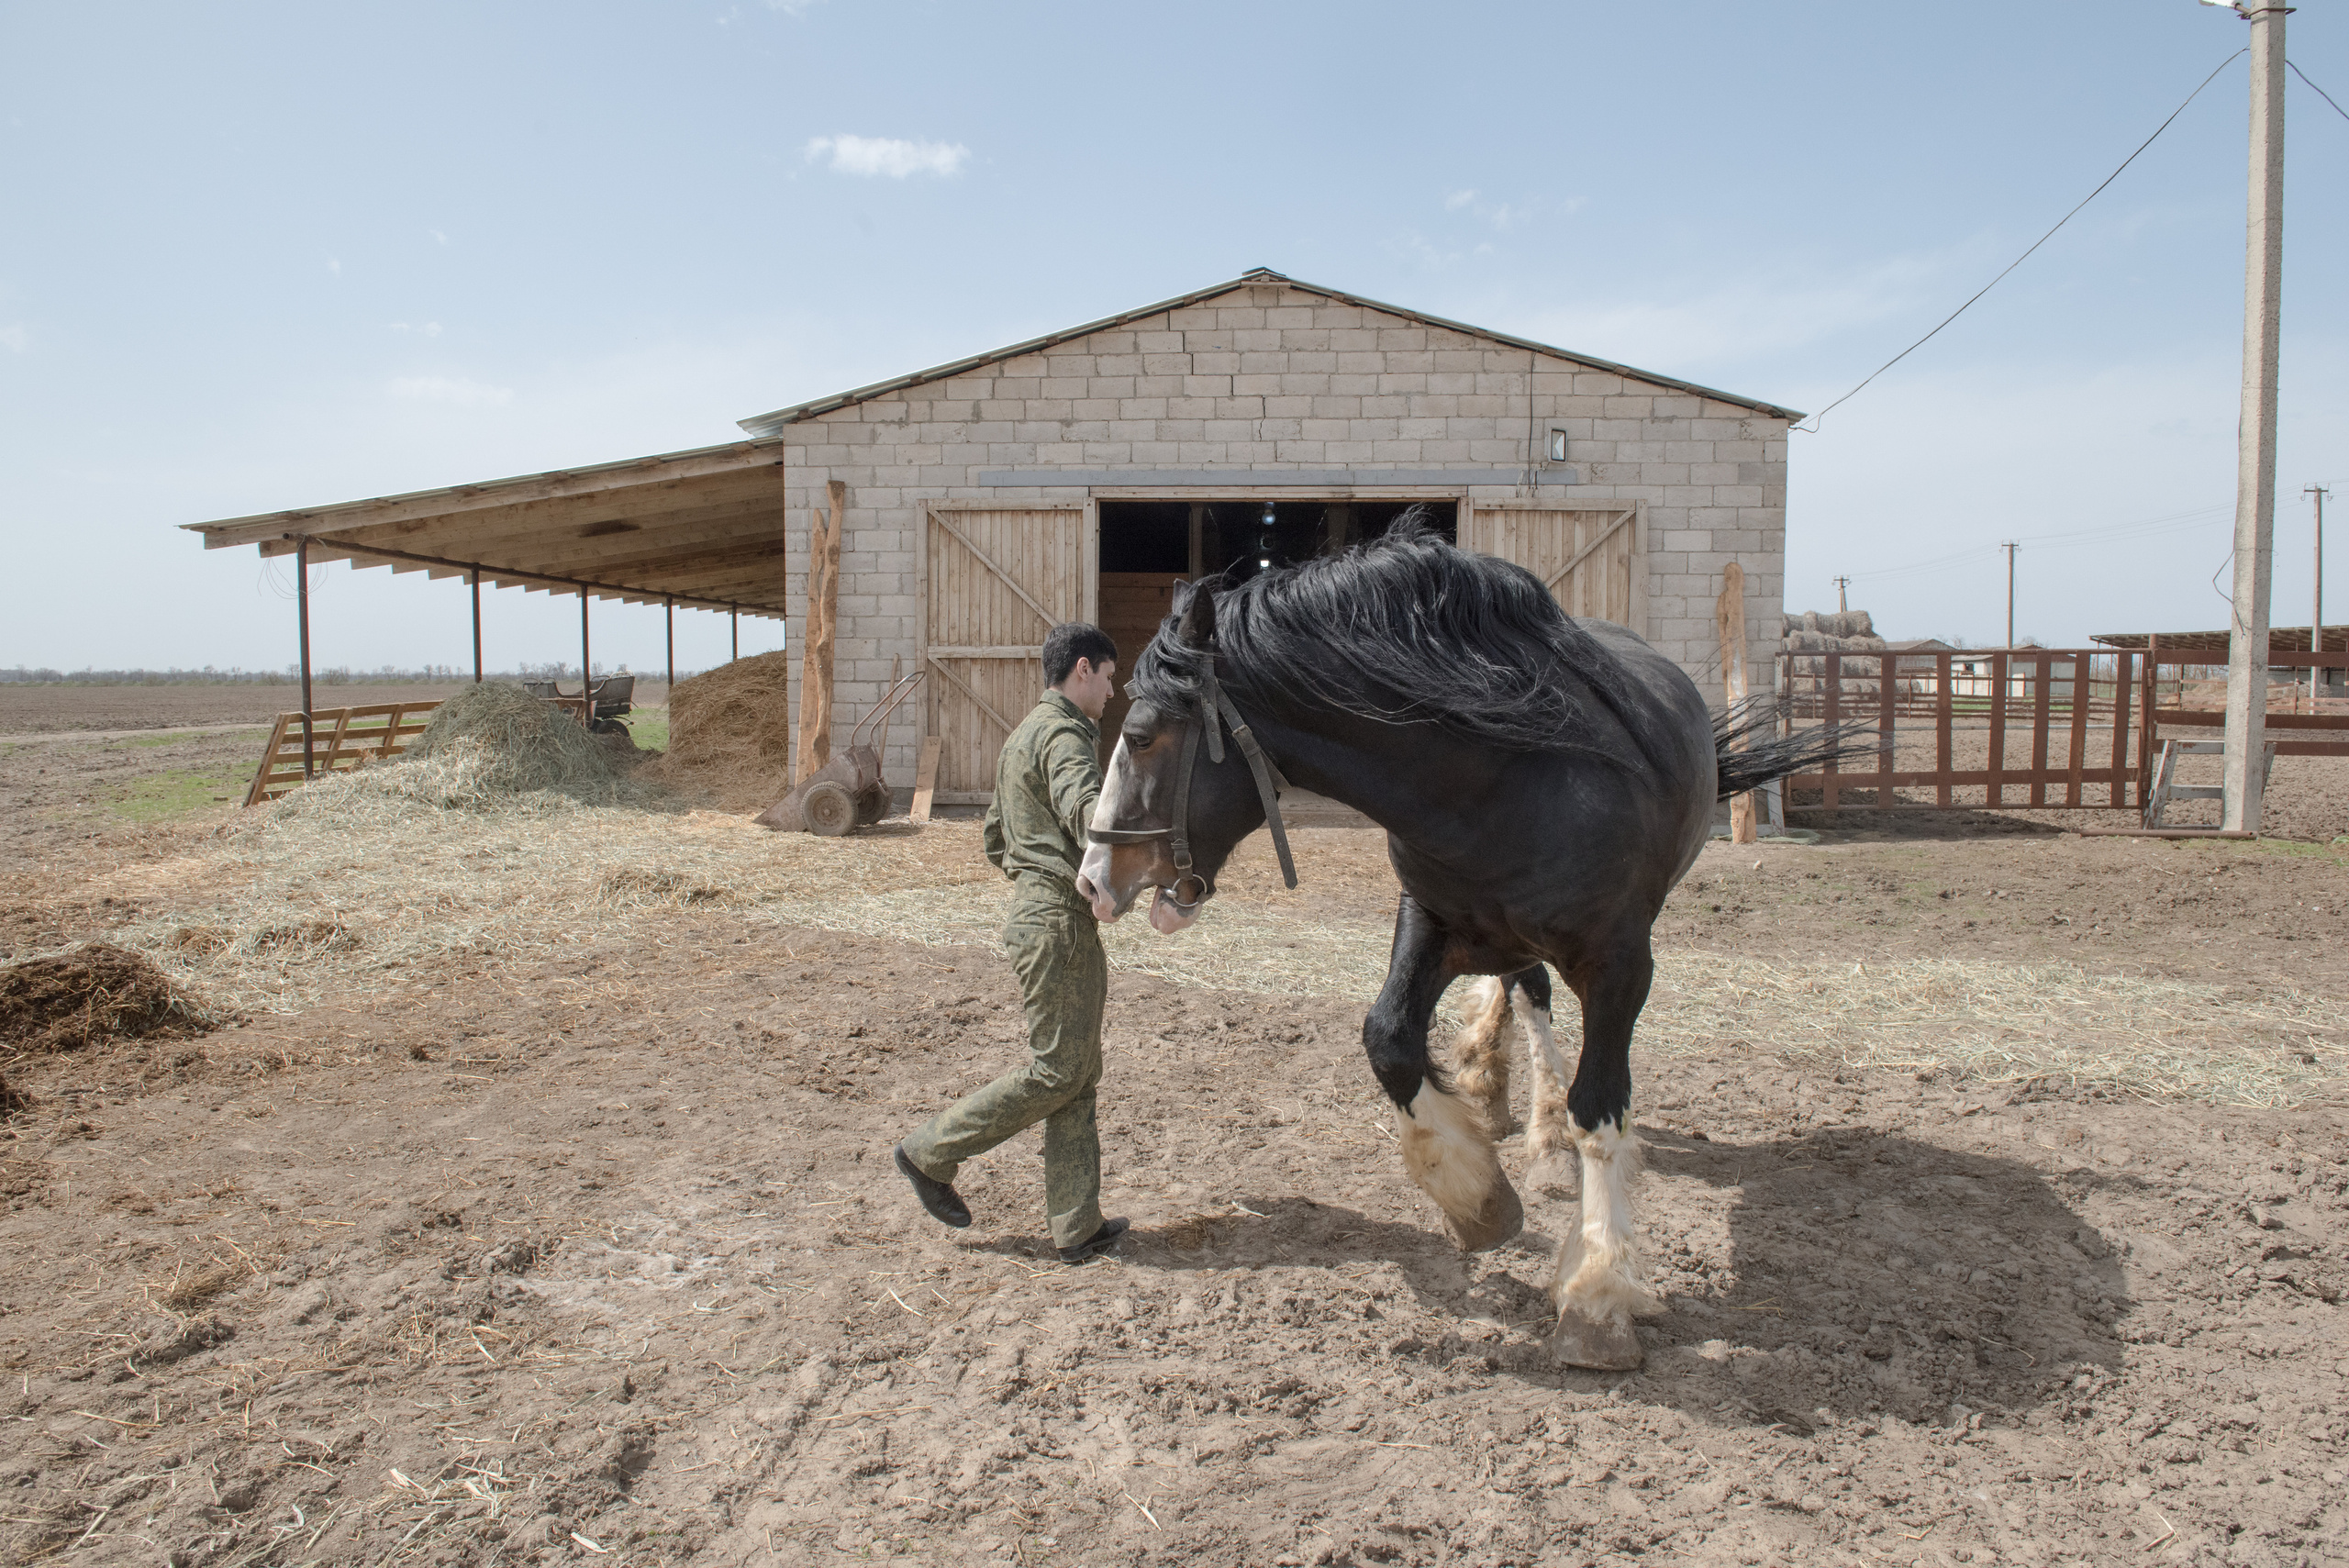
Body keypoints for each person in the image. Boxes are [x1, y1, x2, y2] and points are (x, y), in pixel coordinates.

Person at [894, 623, 1130, 1264]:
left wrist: (1037, 879)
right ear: (1083, 669)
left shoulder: (1021, 735)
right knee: (1057, 1070)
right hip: (1058, 920)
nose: (1113, 692)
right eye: (1110, 677)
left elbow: (996, 838)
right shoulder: (1064, 735)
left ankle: (1077, 1224)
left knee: (1077, 1071)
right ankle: (929, 1152)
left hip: (1041, 914)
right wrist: (1113, 863)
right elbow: (1089, 811)